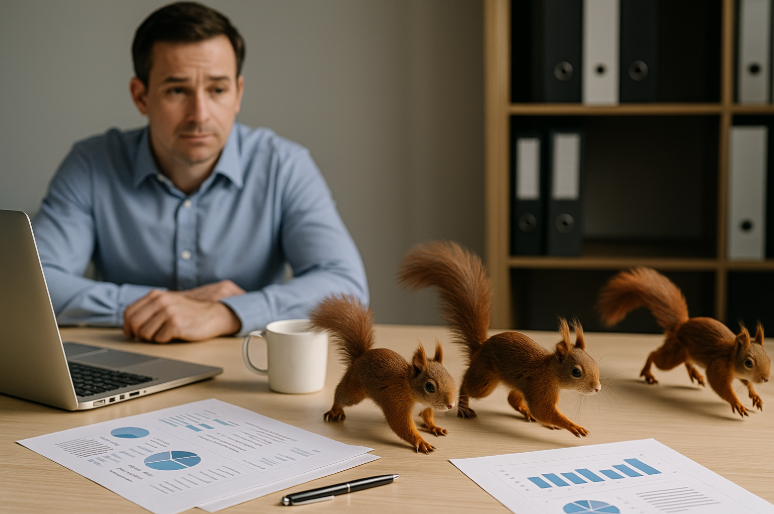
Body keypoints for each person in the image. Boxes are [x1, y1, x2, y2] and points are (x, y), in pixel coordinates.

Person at [32, 1, 368, 343]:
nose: (200, 114)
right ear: (141, 96)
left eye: (217, 90)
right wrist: (164, 308)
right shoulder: (91, 163)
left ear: (237, 94)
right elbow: (34, 283)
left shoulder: (284, 165)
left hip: (246, 371)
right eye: (177, 90)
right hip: (131, 364)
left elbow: (347, 287)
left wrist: (226, 313)